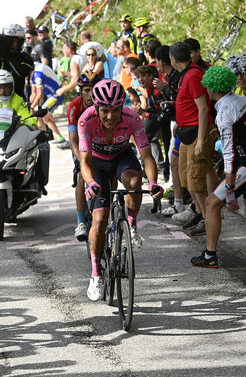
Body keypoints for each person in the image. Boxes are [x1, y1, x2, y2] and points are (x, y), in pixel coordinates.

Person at [78, 79, 163, 301]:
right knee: (99, 220)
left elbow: (147, 156)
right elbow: (84, 162)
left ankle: (132, 225)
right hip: (96, 162)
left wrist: (152, 182)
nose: (110, 116)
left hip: (122, 158)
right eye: (105, 111)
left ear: (121, 107)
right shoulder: (85, 120)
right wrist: (91, 183)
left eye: (115, 110)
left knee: (135, 184)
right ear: (96, 108)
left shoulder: (132, 118)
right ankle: (96, 273)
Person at [192, 66, 246, 268]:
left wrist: (230, 190)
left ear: (211, 87)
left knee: (211, 203)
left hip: (242, 165)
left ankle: (210, 256)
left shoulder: (224, 112)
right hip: (243, 160)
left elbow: (231, 153)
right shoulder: (239, 100)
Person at [170, 41, 213, 236]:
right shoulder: (184, 75)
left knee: (197, 182)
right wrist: (180, 120)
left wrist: (202, 140)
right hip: (186, 131)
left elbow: (203, 109)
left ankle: (208, 219)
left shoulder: (194, 75)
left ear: (173, 59)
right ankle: (199, 212)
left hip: (197, 133)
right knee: (186, 178)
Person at [67, 72, 101, 240]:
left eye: (94, 90)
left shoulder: (104, 103)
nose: (90, 95)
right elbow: (73, 140)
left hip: (100, 142)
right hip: (81, 145)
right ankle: (81, 221)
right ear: (80, 91)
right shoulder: (75, 106)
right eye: (87, 90)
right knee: (82, 175)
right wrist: (81, 159)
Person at [0, 23, 34, 102]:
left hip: (16, 101)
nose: (12, 44)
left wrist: (6, 55)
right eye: (9, 40)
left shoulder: (26, 58)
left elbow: (20, 73)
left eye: (15, 41)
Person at [29, 61, 68, 148]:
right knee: (42, 116)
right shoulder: (33, 74)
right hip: (51, 95)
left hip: (56, 94)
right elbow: (34, 94)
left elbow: (39, 94)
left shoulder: (37, 75)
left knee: (43, 114)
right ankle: (50, 137)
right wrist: (29, 105)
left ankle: (51, 137)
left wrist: (31, 107)